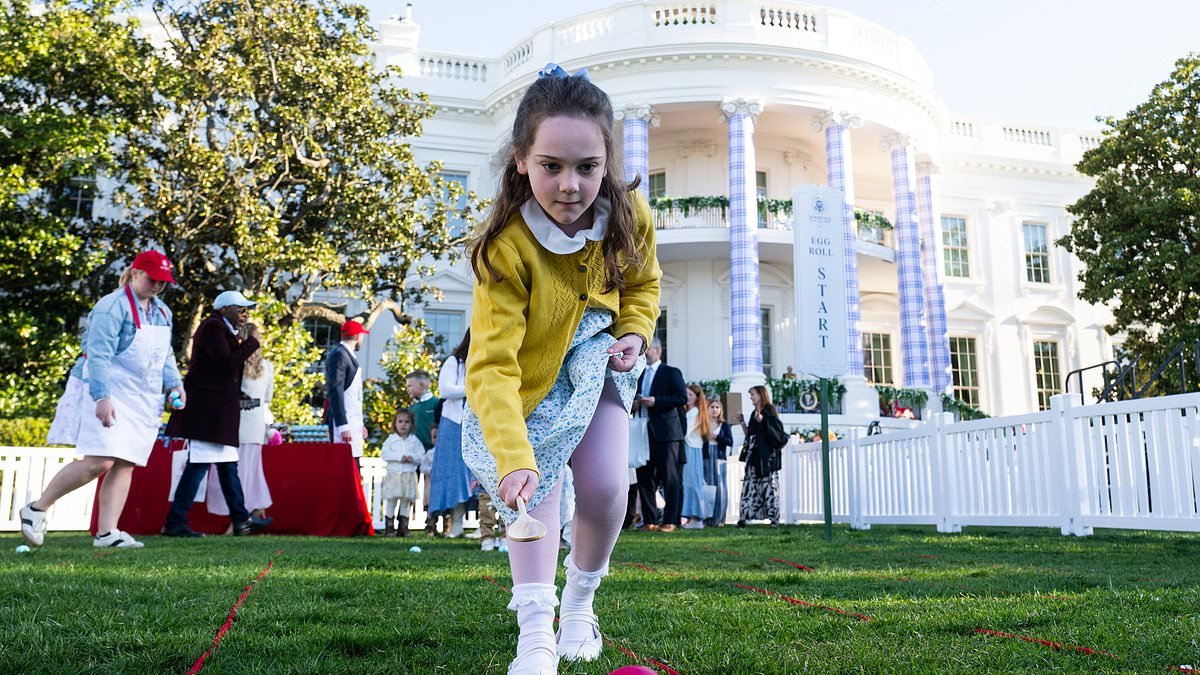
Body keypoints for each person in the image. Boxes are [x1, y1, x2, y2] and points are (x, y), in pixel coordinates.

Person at [461, 64, 661, 674]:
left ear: (606, 160)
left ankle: (579, 606)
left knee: (605, 491)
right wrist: (513, 455)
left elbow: (644, 285)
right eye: (551, 165)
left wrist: (633, 330)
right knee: (537, 498)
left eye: (587, 167)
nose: (570, 185)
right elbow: (492, 364)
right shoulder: (506, 246)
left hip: (596, 366)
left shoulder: (630, 214)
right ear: (522, 159)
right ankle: (535, 636)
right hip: (522, 390)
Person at [24, 250, 184, 549]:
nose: (158, 286)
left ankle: (107, 532)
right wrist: (102, 397)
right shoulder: (112, 307)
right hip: (107, 388)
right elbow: (98, 356)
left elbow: (165, 353)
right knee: (100, 461)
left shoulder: (162, 312)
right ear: (135, 273)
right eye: (153, 279)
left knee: (126, 462)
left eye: (163, 282)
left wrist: (175, 384)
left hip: (141, 394)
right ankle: (36, 509)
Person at [162, 291, 272, 537]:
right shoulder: (212, 327)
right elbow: (225, 362)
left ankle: (240, 519)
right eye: (240, 309)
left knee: (226, 467)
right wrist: (251, 344)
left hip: (216, 412)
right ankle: (175, 522)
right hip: (208, 412)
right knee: (199, 467)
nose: (245, 315)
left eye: (246, 310)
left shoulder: (220, 329)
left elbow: (222, 369)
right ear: (224, 309)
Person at [205, 322, 274, 527]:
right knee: (250, 472)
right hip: (254, 428)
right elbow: (268, 397)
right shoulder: (267, 367)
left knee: (232, 474)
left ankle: (239, 516)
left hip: (234, 426)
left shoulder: (233, 365)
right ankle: (253, 509)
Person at [632, 337, 687, 532]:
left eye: (647, 350)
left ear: (658, 350)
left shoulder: (671, 372)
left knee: (670, 477)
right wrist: (635, 403)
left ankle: (671, 520)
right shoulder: (638, 374)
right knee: (644, 477)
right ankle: (650, 520)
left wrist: (656, 401)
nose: (644, 354)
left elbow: (681, 397)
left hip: (667, 432)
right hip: (642, 430)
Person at [428, 331, 473, 538]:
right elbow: (445, 390)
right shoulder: (453, 362)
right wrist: (474, 388)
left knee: (474, 474)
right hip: (454, 424)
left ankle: (484, 526)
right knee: (454, 473)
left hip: (477, 424)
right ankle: (455, 523)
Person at [737, 384, 789, 528]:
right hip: (754, 455)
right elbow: (750, 434)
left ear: (761, 395)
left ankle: (773, 518)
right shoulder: (754, 413)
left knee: (769, 486)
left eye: (753, 394)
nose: (751, 397)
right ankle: (744, 517)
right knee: (750, 485)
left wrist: (763, 421)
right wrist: (742, 421)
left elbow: (775, 432)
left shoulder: (769, 411)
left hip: (766, 457)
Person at [324, 319, 370, 461]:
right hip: (344, 423)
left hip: (352, 420)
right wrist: (343, 425)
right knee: (344, 464)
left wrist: (360, 424)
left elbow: (355, 397)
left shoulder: (346, 355)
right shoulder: (340, 355)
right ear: (357, 336)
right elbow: (336, 391)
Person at [380, 409, 425, 537]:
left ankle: (403, 527)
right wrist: (400, 457)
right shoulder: (391, 439)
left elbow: (421, 455)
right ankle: (389, 528)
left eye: (407, 422)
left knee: (406, 501)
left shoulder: (414, 440)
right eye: (400, 422)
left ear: (411, 424)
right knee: (391, 501)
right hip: (394, 474)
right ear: (395, 424)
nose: (403, 425)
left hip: (408, 474)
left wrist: (411, 458)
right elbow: (385, 454)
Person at [405, 370, 440, 534]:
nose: (408, 389)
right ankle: (404, 523)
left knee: (429, 487)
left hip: (432, 455)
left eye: (410, 385)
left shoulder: (436, 404)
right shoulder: (411, 408)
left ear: (423, 384)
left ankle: (431, 522)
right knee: (411, 487)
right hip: (413, 456)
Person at [680, 384, 711, 529]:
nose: (688, 397)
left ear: (697, 397)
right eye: (686, 394)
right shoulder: (691, 411)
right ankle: (691, 516)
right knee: (689, 484)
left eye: (691, 395)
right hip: (690, 448)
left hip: (691, 449)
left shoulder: (695, 412)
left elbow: (685, 431)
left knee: (693, 484)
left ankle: (697, 517)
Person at [704, 398, 734, 527]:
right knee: (707, 487)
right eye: (712, 407)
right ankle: (707, 518)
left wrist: (717, 437)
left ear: (720, 410)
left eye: (717, 407)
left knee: (720, 487)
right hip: (706, 457)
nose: (714, 410)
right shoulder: (704, 424)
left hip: (719, 457)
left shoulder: (724, 425)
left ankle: (719, 518)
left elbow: (730, 441)